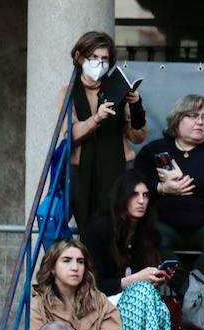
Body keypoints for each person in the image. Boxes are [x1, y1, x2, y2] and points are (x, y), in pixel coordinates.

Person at [132, 93, 204, 285]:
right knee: (148, 235)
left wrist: (182, 181)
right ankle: (187, 291)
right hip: (165, 223)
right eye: (193, 116)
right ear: (177, 119)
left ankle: (194, 287)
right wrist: (162, 188)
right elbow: (136, 182)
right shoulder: (154, 149)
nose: (200, 122)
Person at [82, 171, 173, 330]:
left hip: (137, 304)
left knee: (160, 307)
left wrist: (158, 278)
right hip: (101, 302)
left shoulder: (148, 233)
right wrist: (137, 280)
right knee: (144, 292)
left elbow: (142, 285)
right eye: (135, 194)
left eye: (146, 195)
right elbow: (94, 283)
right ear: (122, 197)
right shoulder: (99, 228)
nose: (141, 201)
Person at [59, 30, 146, 230]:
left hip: (119, 169)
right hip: (82, 172)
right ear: (80, 58)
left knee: (121, 229)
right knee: (89, 230)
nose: (99, 63)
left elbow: (138, 136)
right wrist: (96, 119)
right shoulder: (68, 93)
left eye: (104, 59)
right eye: (94, 57)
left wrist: (135, 106)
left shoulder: (118, 88)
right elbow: (70, 135)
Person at [29, 239, 124, 330]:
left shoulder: (98, 299)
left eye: (80, 261)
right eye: (67, 260)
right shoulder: (38, 303)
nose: (75, 267)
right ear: (52, 268)